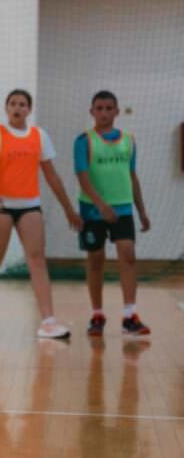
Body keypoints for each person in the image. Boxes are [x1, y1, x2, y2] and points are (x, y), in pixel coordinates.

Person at [0, 89, 82, 339]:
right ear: (6, 108)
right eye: (13, 103)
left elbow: (52, 176)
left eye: (22, 104)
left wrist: (69, 209)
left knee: (37, 260)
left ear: (29, 109)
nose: (17, 108)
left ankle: (48, 322)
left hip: (30, 206)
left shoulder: (39, 136)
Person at [75, 90, 151, 337]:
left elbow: (132, 176)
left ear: (117, 112)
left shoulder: (129, 139)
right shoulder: (83, 140)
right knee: (96, 261)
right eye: (99, 108)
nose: (104, 112)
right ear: (92, 111)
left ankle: (130, 316)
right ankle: (97, 314)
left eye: (109, 108)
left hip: (123, 208)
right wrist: (100, 205)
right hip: (93, 210)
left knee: (128, 256)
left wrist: (141, 211)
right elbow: (82, 178)